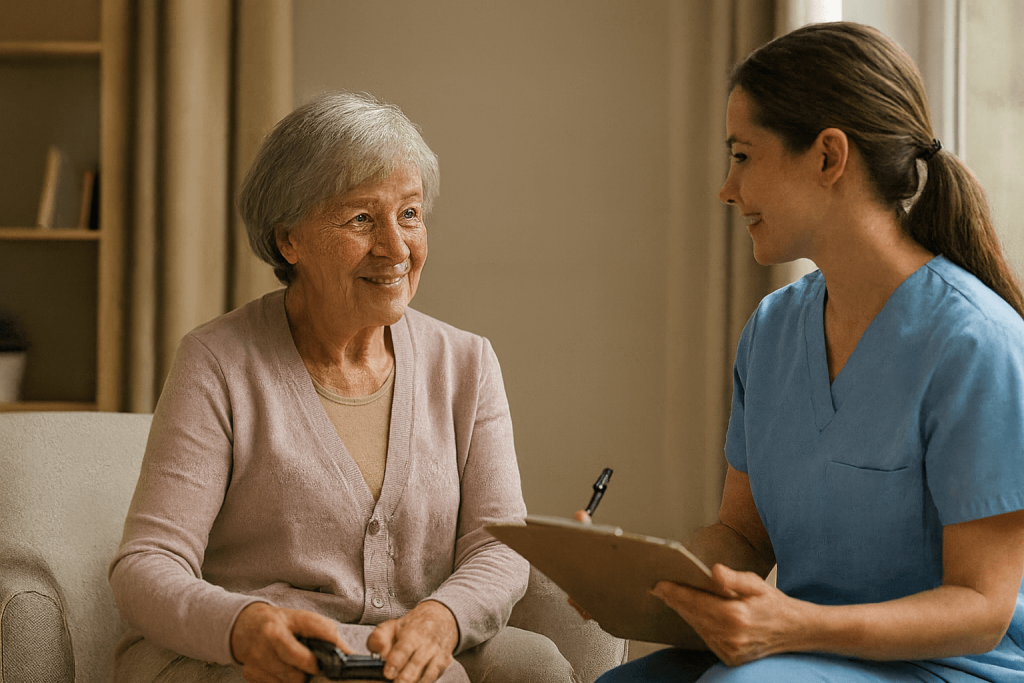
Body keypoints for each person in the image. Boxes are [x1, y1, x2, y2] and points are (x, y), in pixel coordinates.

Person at [594, 21, 1024, 683]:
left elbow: (981, 609)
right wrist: (643, 579)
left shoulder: (976, 343)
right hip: (803, 651)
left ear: (828, 157)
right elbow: (743, 537)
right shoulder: (772, 329)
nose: (727, 187)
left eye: (743, 155)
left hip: (947, 666)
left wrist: (794, 625)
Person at [109, 91, 572, 683]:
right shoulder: (217, 361)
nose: (397, 248)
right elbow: (147, 564)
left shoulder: (466, 363)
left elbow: (499, 544)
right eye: (361, 220)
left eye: (409, 213)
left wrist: (441, 619)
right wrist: (245, 625)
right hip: (267, 656)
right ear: (289, 240)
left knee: (538, 667)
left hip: (410, 644)